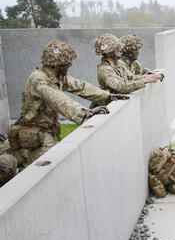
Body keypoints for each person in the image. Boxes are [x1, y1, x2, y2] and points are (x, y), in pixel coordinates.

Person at [7, 40, 120, 170]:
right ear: (58, 64)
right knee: (38, 172)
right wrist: (84, 113)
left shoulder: (58, 77)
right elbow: (57, 99)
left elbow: (81, 86)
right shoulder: (38, 79)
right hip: (33, 134)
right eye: (67, 63)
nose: (70, 65)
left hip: (44, 132)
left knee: (43, 169)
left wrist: (107, 96)